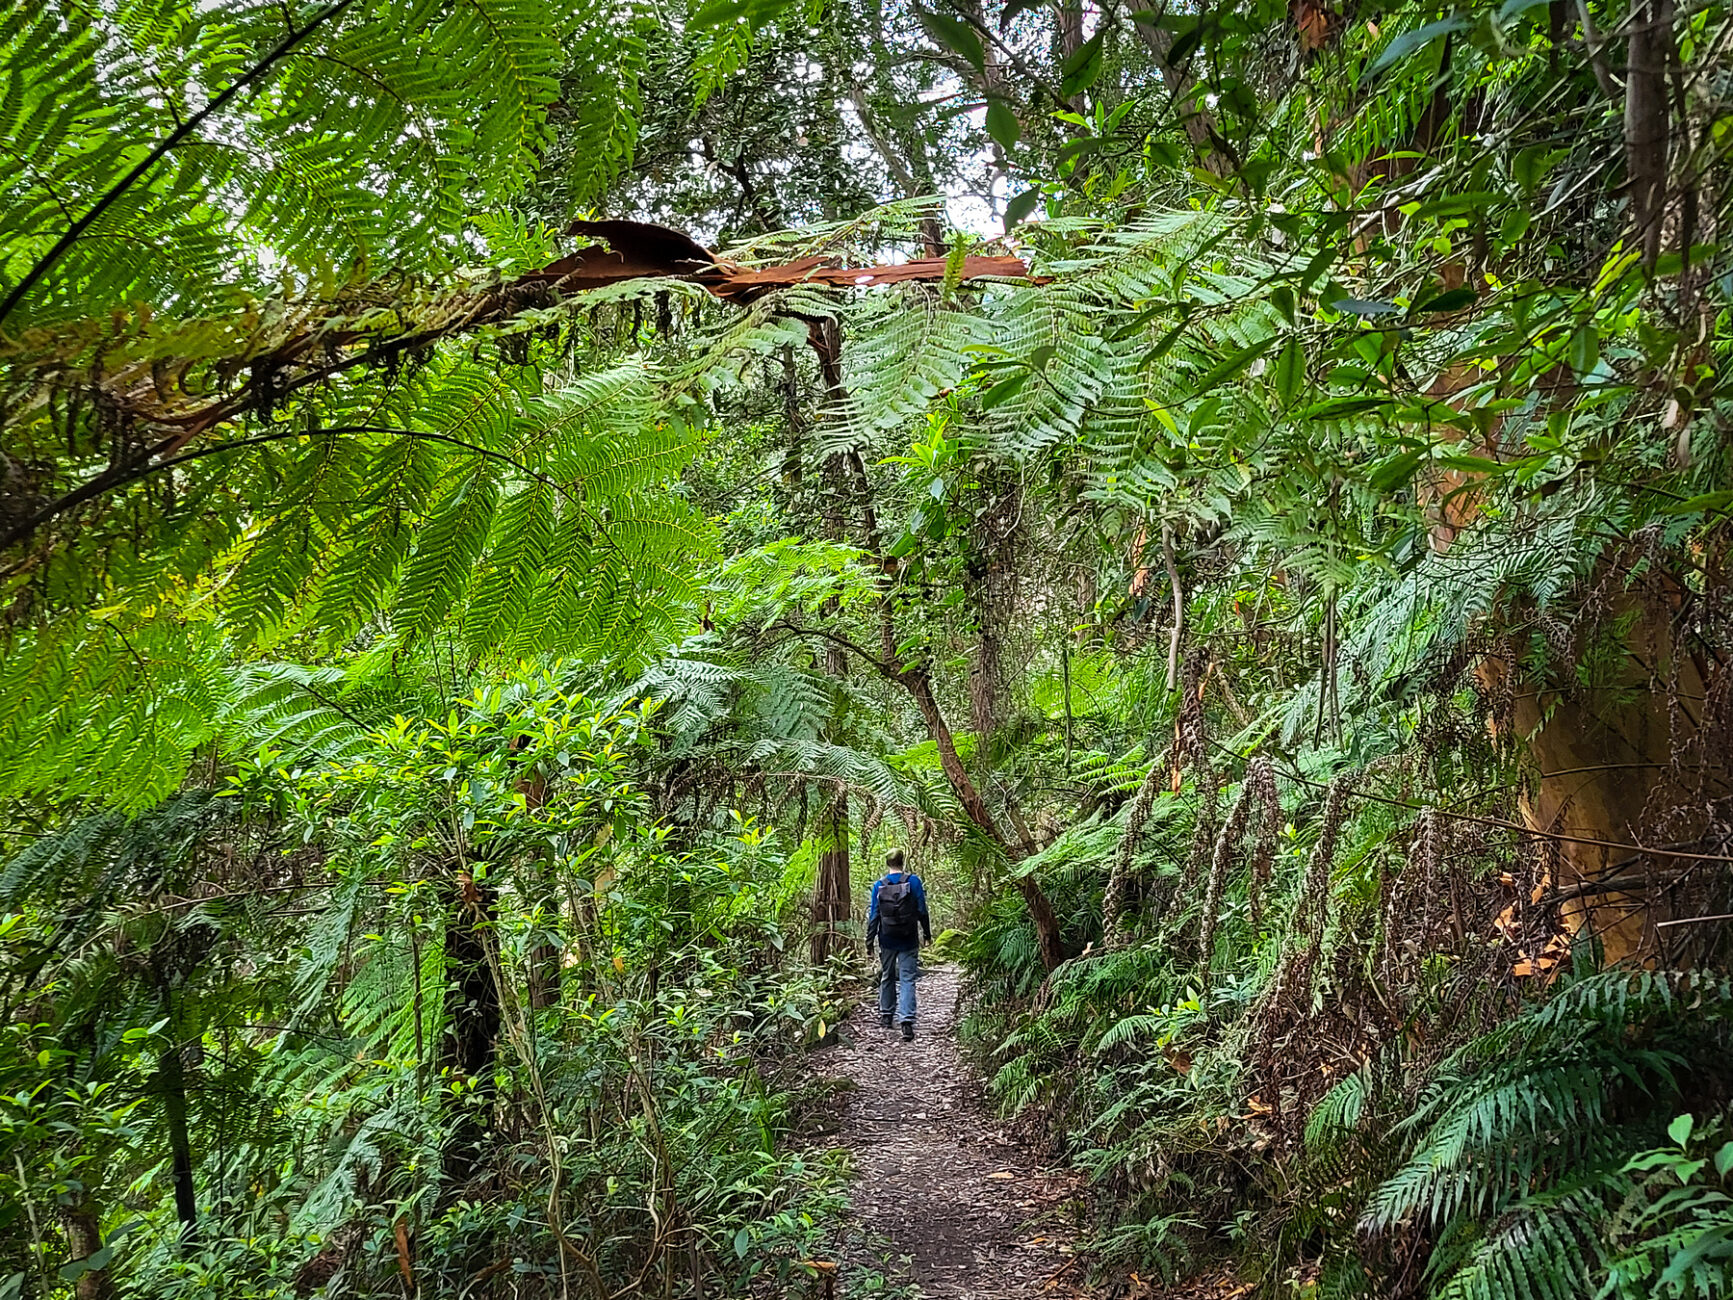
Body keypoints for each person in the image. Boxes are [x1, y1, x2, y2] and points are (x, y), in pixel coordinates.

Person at [865, 849, 931, 1041]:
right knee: (907, 978)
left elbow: (874, 915)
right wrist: (927, 934)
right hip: (909, 937)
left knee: (887, 975)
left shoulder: (879, 885)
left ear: (887, 863)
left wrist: (869, 942)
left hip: (886, 938)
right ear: (903, 861)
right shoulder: (914, 882)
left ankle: (887, 1015)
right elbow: (922, 910)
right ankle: (906, 1022)